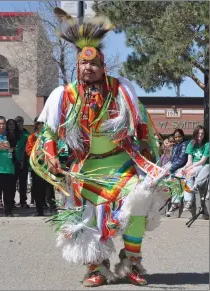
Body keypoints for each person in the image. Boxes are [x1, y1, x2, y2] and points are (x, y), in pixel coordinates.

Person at [30, 8, 176, 288]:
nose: (89, 68)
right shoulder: (65, 95)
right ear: (77, 65)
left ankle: (132, 262)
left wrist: (147, 155)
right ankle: (96, 267)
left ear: (103, 64)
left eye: (94, 63)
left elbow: (142, 123)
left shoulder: (121, 90)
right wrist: (50, 155)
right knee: (89, 219)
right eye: (84, 64)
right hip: (85, 168)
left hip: (120, 163)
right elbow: (48, 129)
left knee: (138, 203)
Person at [180, 125, 209, 211]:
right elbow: (189, 161)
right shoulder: (191, 144)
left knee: (203, 168)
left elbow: (203, 161)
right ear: (195, 134)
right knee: (186, 174)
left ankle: (195, 186)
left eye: (202, 133)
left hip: (204, 165)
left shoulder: (207, 144)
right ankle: (189, 201)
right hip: (194, 165)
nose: (200, 135)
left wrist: (191, 167)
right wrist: (185, 168)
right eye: (199, 133)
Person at [26, 118, 45, 216]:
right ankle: (39, 210)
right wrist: (35, 153)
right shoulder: (32, 137)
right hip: (37, 165)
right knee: (37, 187)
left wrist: (45, 153)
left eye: (43, 123)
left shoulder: (48, 136)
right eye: (39, 123)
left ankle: (50, 207)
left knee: (47, 188)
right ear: (36, 125)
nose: (41, 125)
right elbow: (28, 150)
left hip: (47, 165)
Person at [166, 129, 188, 216]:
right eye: (176, 137)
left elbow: (182, 160)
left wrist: (171, 169)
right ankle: (170, 201)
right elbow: (172, 159)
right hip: (174, 168)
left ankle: (175, 203)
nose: (177, 138)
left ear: (182, 136)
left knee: (176, 179)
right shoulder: (176, 146)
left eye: (179, 136)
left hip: (182, 168)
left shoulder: (184, 145)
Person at [14, 116, 30, 208]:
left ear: (23, 123)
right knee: (12, 183)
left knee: (23, 183)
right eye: (17, 122)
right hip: (13, 163)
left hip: (24, 162)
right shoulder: (11, 134)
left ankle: (23, 201)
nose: (18, 123)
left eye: (20, 122)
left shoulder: (26, 134)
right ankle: (11, 201)